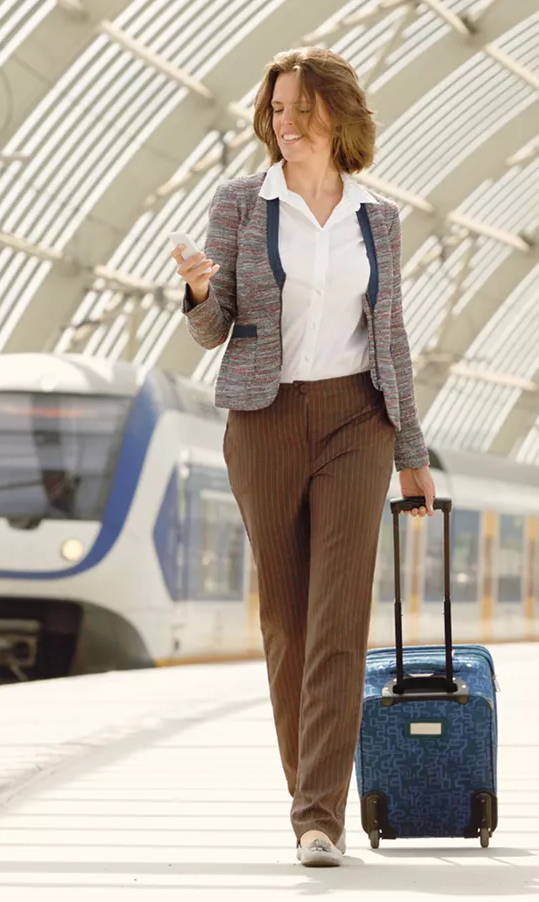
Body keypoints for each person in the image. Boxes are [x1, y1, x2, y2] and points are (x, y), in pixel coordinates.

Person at [169, 46, 435, 868]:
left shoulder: (376, 218)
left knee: (338, 621)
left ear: (337, 116)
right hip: (264, 419)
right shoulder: (243, 204)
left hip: (358, 421)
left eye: (300, 111)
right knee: (287, 620)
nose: (285, 125)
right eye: (277, 111)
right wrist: (200, 290)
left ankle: (319, 815)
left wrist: (411, 452)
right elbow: (216, 333)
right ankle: (309, 797)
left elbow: (389, 337)